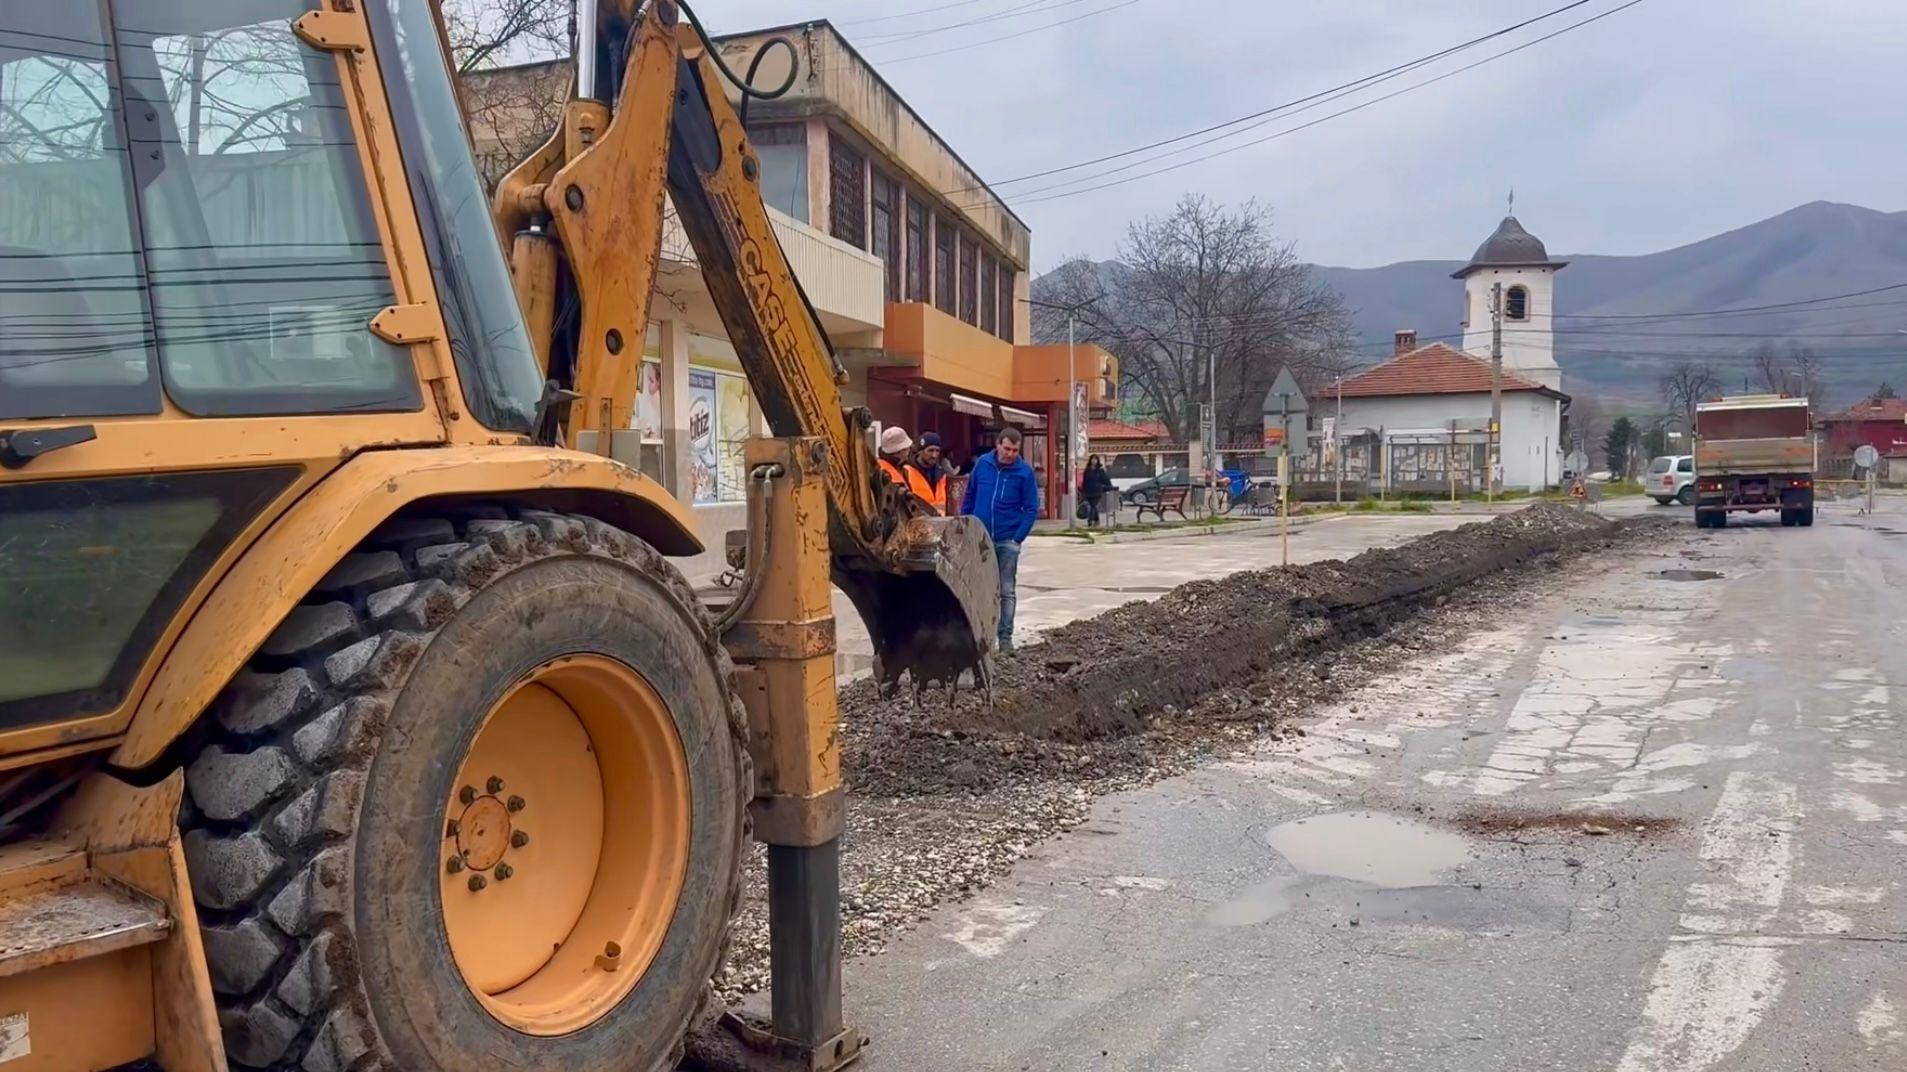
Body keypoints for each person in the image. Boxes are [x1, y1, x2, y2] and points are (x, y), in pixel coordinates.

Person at [958, 426, 1039, 652]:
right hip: (981, 538)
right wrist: (967, 526)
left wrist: (1017, 539)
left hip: (1007, 540)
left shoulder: (1024, 473)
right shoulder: (983, 465)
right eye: (1007, 448)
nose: (1010, 454)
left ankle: (1005, 639)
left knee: (1006, 591)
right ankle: (980, 637)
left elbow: (1031, 508)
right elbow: (970, 495)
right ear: (998, 445)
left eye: (1015, 450)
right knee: (977, 588)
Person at [908, 431, 949, 514]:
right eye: (930, 450)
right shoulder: (907, 472)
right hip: (918, 522)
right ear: (920, 451)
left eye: (937, 451)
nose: (934, 455)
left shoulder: (942, 474)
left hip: (941, 522)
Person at [1080, 454, 1115, 526]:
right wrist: (1083, 491)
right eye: (1092, 459)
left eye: (1095, 459)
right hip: (1089, 491)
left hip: (1098, 491)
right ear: (1090, 460)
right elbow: (1085, 481)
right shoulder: (1087, 471)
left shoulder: (1100, 471)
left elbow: (1106, 480)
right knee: (1093, 506)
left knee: (1093, 505)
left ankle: (1090, 520)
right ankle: (1097, 520)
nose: (1094, 461)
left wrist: (1109, 487)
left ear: (1097, 461)